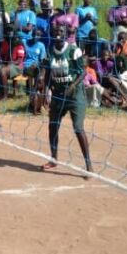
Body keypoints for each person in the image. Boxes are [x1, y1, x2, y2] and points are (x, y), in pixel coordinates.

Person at [41, 24, 92, 174]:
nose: (58, 34)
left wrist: (72, 86)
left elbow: (83, 73)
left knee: (78, 128)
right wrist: (46, 91)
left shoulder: (73, 51)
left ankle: (88, 164)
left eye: (61, 32)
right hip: (58, 94)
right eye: (56, 32)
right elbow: (48, 74)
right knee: (53, 126)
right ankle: (54, 159)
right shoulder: (49, 52)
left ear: (66, 35)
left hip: (75, 94)